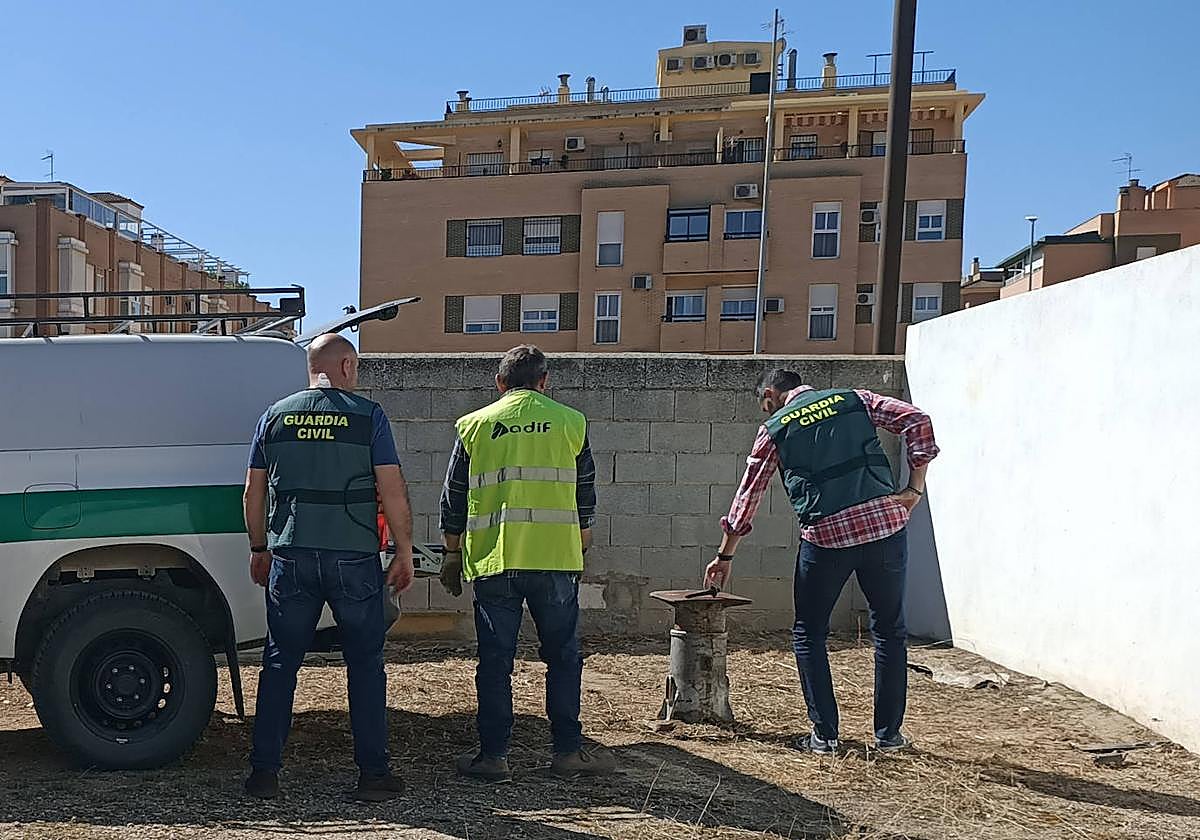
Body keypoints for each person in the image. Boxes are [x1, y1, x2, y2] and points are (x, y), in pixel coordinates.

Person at [705, 369, 938, 754]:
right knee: (889, 630)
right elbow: (917, 420)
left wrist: (724, 556)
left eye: (764, 405)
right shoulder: (856, 399)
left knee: (809, 633)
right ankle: (889, 737)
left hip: (827, 538)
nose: (766, 411)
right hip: (884, 528)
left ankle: (825, 736)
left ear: (770, 394)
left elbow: (748, 496)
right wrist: (915, 488)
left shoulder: (775, 428)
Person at [242, 333, 415, 800]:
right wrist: (403, 550)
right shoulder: (368, 416)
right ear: (347, 367)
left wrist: (259, 547)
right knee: (365, 665)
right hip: (353, 557)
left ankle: (264, 774)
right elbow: (391, 487)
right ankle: (373, 775)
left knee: (280, 664)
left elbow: (253, 491)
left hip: (291, 555)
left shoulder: (274, 416)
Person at [439, 345, 616, 782]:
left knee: (495, 661)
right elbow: (586, 491)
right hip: (554, 559)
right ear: (544, 382)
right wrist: (581, 544)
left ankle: (494, 757)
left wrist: (451, 552)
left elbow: (454, 495)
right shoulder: (571, 422)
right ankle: (568, 751)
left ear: (500, 383)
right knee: (563, 657)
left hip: (495, 559)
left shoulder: (475, 425)